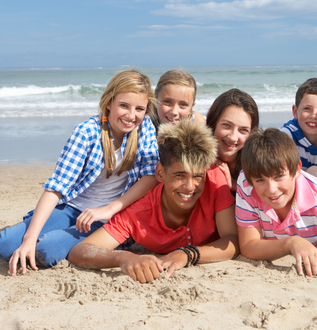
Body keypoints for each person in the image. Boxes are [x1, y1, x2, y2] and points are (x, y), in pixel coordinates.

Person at [0, 69, 160, 276]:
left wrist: (109, 209)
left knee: (44, 252)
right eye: (123, 105)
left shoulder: (144, 128)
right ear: (109, 103)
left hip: (108, 219)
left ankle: (50, 238)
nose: (131, 115)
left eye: (139, 108)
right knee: (6, 245)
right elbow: (57, 187)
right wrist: (29, 238)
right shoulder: (87, 132)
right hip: (72, 209)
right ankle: (26, 230)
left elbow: (150, 177)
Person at [68, 120, 238, 284]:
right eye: (180, 175)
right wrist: (124, 257)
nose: (190, 186)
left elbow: (232, 240)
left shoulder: (214, 181)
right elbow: (80, 251)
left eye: (198, 176)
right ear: (160, 173)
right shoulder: (140, 211)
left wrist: (187, 254)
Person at [235, 128, 317, 277]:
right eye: (260, 180)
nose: (271, 189)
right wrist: (291, 243)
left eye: (278, 176)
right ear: (251, 180)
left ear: (296, 170)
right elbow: (248, 245)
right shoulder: (246, 183)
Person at [206, 88, 259, 192]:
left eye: (243, 130)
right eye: (227, 125)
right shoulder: (196, 155)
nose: (233, 137)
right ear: (213, 123)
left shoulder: (256, 158)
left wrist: (233, 184)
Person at [281, 78, 317, 170]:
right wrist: (309, 173)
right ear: (295, 111)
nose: (314, 115)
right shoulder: (286, 138)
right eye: (307, 108)